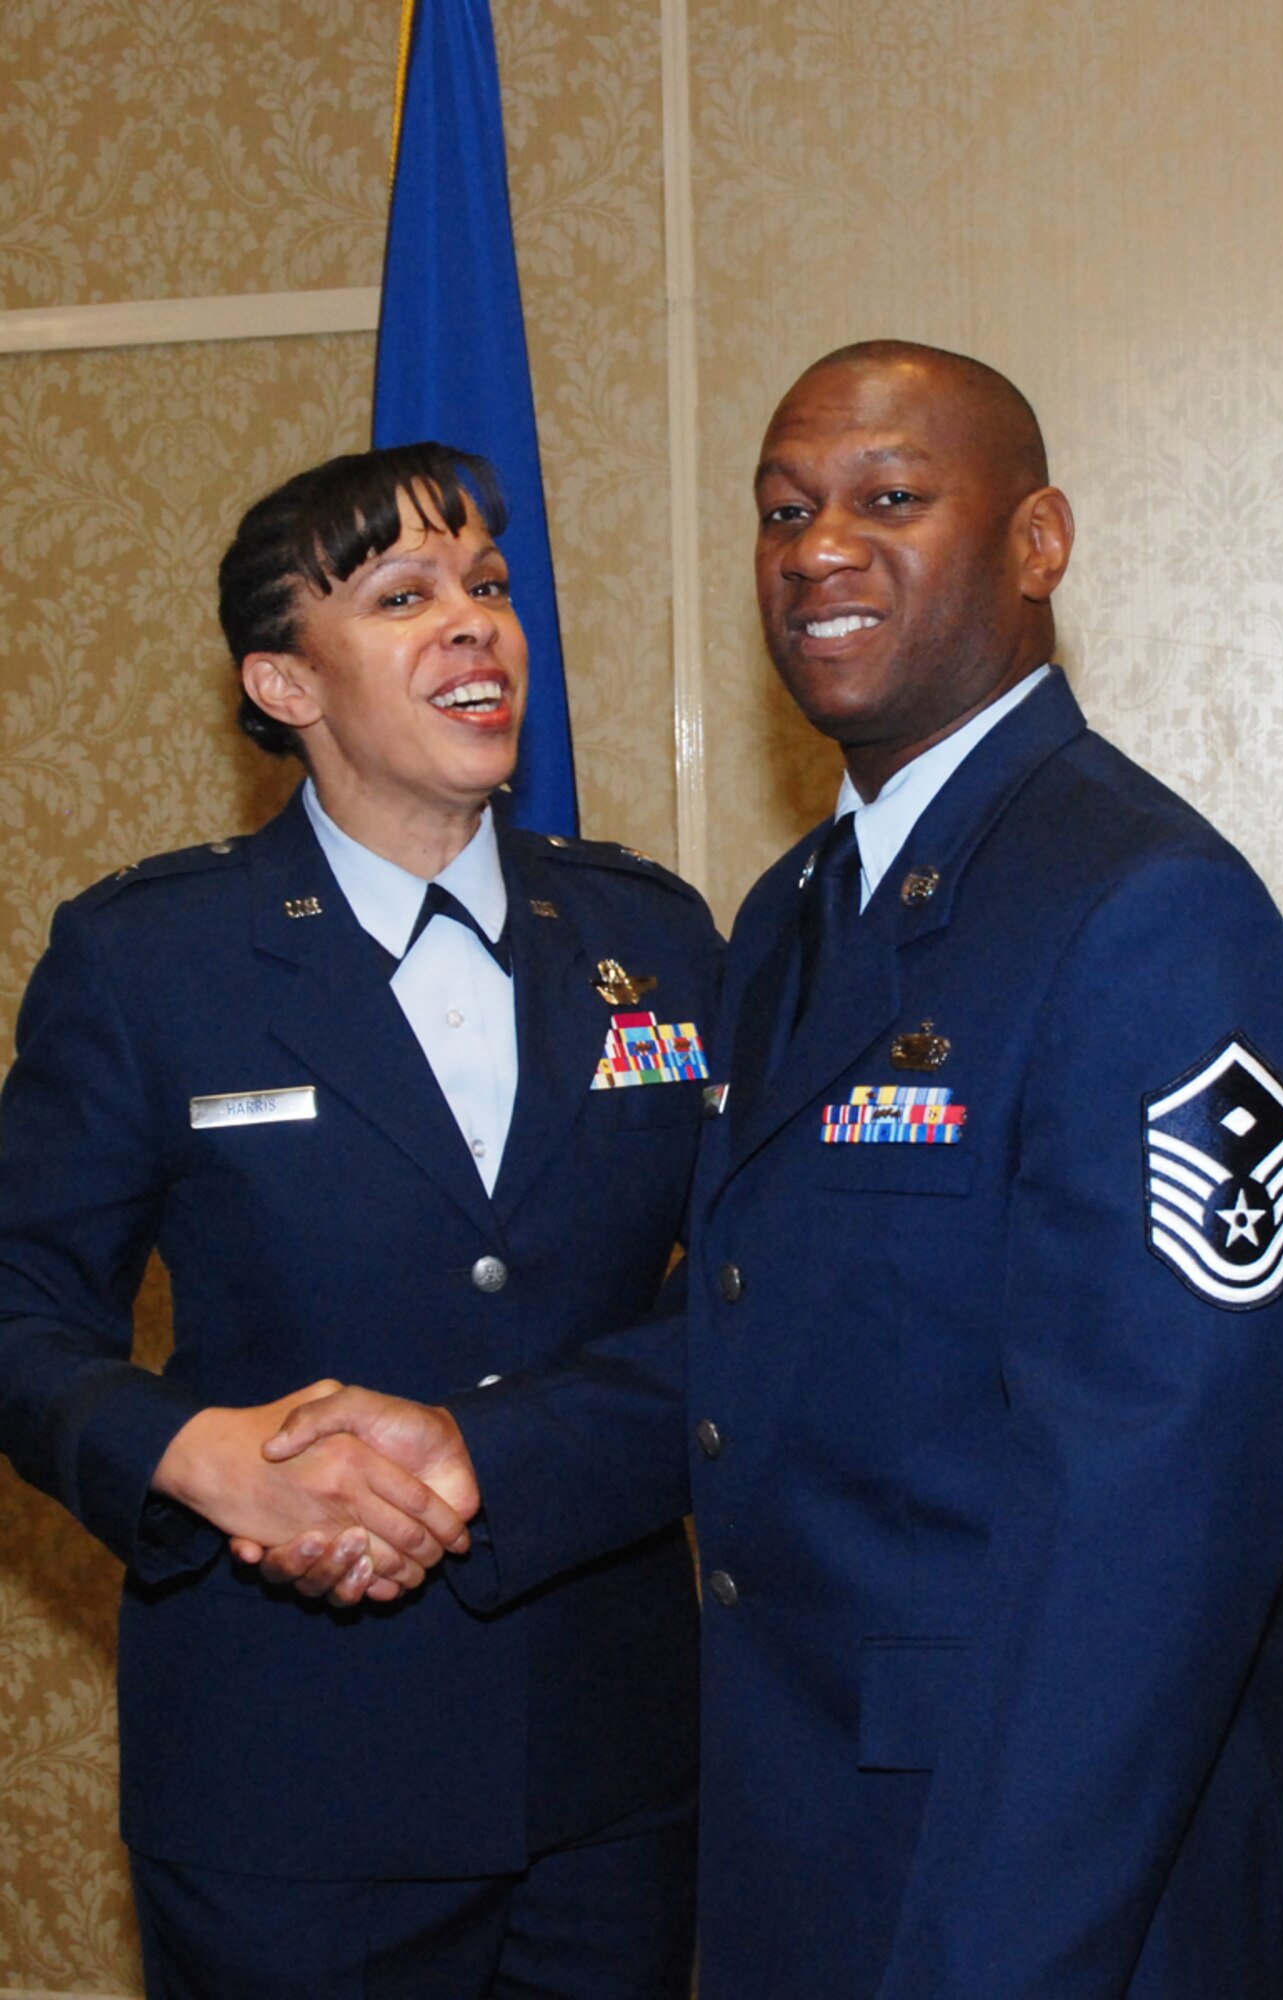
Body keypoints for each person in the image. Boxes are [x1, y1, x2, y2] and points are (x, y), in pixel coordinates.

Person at [262, 346, 1283, 1997]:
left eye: (889, 499)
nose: (817, 547)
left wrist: (993, 1961)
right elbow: (763, 1334)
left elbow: (1151, 1528)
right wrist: (476, 1447)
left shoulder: (1142, 913)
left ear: (1037, 541)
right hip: (806, 1837)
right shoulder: (787, 915)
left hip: (1048, 1885)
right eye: (781, 510)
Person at [0, 440, 718, 1998]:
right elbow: (18, 1308)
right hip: (284, 1784)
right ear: (283, 686)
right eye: (404, 596)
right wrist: (196, 1462)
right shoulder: (151, 961)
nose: (475, 624)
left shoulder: (651, 937)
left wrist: (503, 1455)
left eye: (489, 587)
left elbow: (751, 1297)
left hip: (610, 1773)